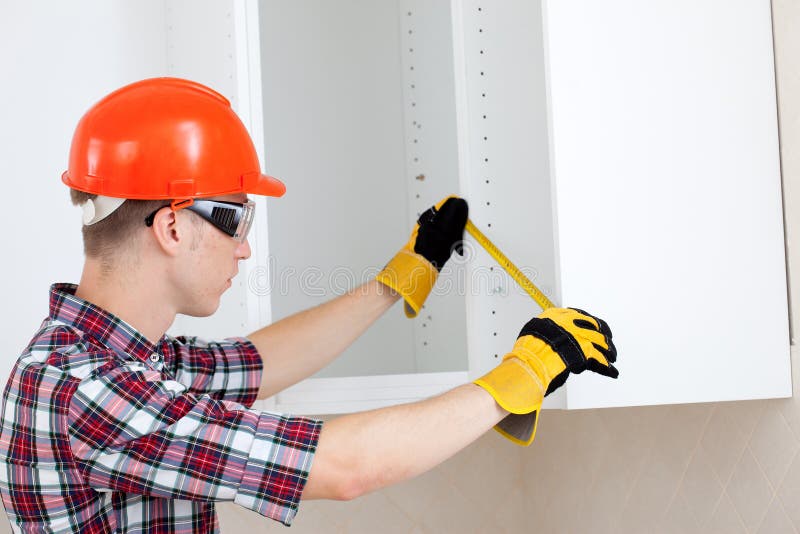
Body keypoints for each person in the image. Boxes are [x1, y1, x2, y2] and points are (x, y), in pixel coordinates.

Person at [0, 78, 618, 533]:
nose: (244, 249)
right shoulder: (85, 389)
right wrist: (523, 374)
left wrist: (402, 276)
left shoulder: (111, 358)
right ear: (173, 228)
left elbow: (258, 362)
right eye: (237, 218)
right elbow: (344, 467)